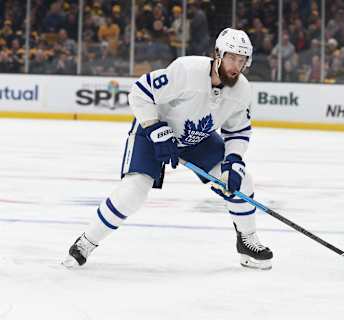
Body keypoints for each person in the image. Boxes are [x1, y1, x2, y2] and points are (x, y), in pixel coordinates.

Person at [62, 28, 273, 270]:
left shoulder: (242, 90)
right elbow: (140, 92)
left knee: (242, 180)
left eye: (242, 59)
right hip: (154, 131)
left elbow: (238, 130)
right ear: (218, 54)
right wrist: (155, 129)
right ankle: (86, 242)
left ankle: (246, 241)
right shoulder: (187, 70)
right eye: (231, 57)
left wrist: (233, 159)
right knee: (134, 191)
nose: (236, 65)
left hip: (197, 137)